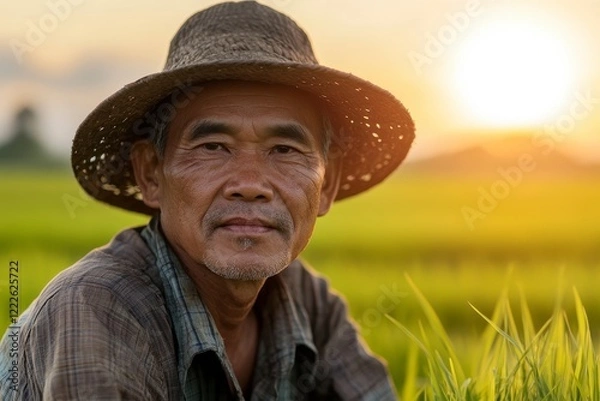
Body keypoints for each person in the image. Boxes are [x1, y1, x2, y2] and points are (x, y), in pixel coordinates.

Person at [0, 1, 415, 400]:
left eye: (285, 150)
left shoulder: (306, 301)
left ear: (326, 186)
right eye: (213, 146)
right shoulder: (94, 308)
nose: (251, 184)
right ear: (151, 175)